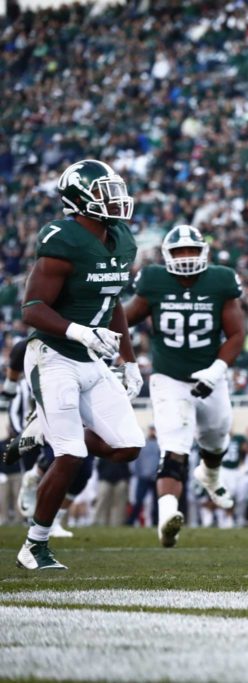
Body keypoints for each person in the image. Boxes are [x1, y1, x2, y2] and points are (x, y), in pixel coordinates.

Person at [16, 159, 145, 570]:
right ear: (79, 200)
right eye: (104, 192)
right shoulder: (62, 240)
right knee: (70, 453)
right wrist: (79, 331)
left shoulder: (122, 239)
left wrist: (129, 359)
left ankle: (43, 432)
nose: (116, 200)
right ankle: (34, 545)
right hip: (53, 356)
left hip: (92, 357)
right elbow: (33, 309)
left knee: (127, 448)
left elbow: (113, 303)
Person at [124, 224, 245, 547]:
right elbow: (123, 318)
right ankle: (166, 516)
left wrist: (217, 370)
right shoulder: (153, 280)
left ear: (204, 252)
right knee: (174, 447)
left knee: (217, 435)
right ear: (167, 256)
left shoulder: (220, 280)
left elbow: (236, 334)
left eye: (192, 250)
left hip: (211, 373)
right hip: (169, 377)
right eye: (180, 252)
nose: (187, 257)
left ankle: (210, 475)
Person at [126, 425, 160, 527]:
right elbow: (136, 460)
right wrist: (137, 473)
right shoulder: (143, 444)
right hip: (143, 477)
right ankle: (131, 521)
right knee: (138, 500)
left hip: (155, 478)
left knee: (156, 503)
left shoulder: (160, 444)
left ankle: (155, 522)